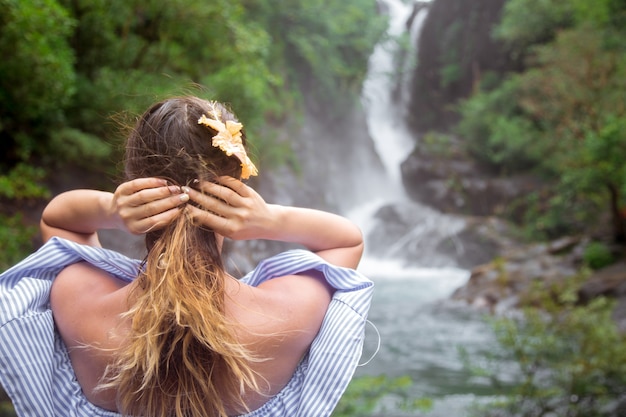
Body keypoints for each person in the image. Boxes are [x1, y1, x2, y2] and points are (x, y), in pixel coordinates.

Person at [0, 96, 374, 417]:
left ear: (134, 184)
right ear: (238, 190)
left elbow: (59, 221)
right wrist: (268, 220)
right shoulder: (287, 316)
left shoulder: (80, 309)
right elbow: (345, 240)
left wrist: (112, 210)